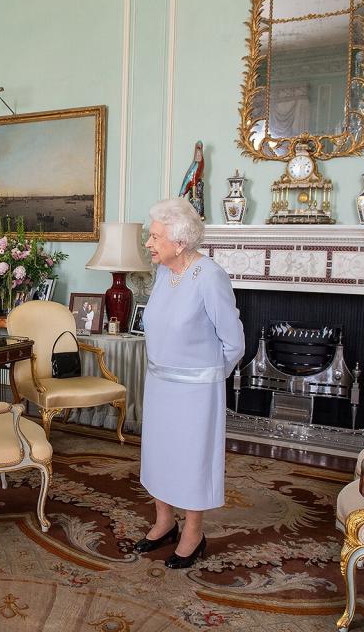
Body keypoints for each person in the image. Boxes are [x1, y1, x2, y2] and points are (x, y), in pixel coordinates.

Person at [135, 197, 245, 569]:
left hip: (197, 389)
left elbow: (234, 341)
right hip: (160, 382)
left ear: (179, 242)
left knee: (192, 459)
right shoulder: (164, 272)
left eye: (154, 237)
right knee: (159, 455)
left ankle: (193, 533)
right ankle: (164, 521)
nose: (148, 243)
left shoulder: (209, 276)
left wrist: (209, 375)